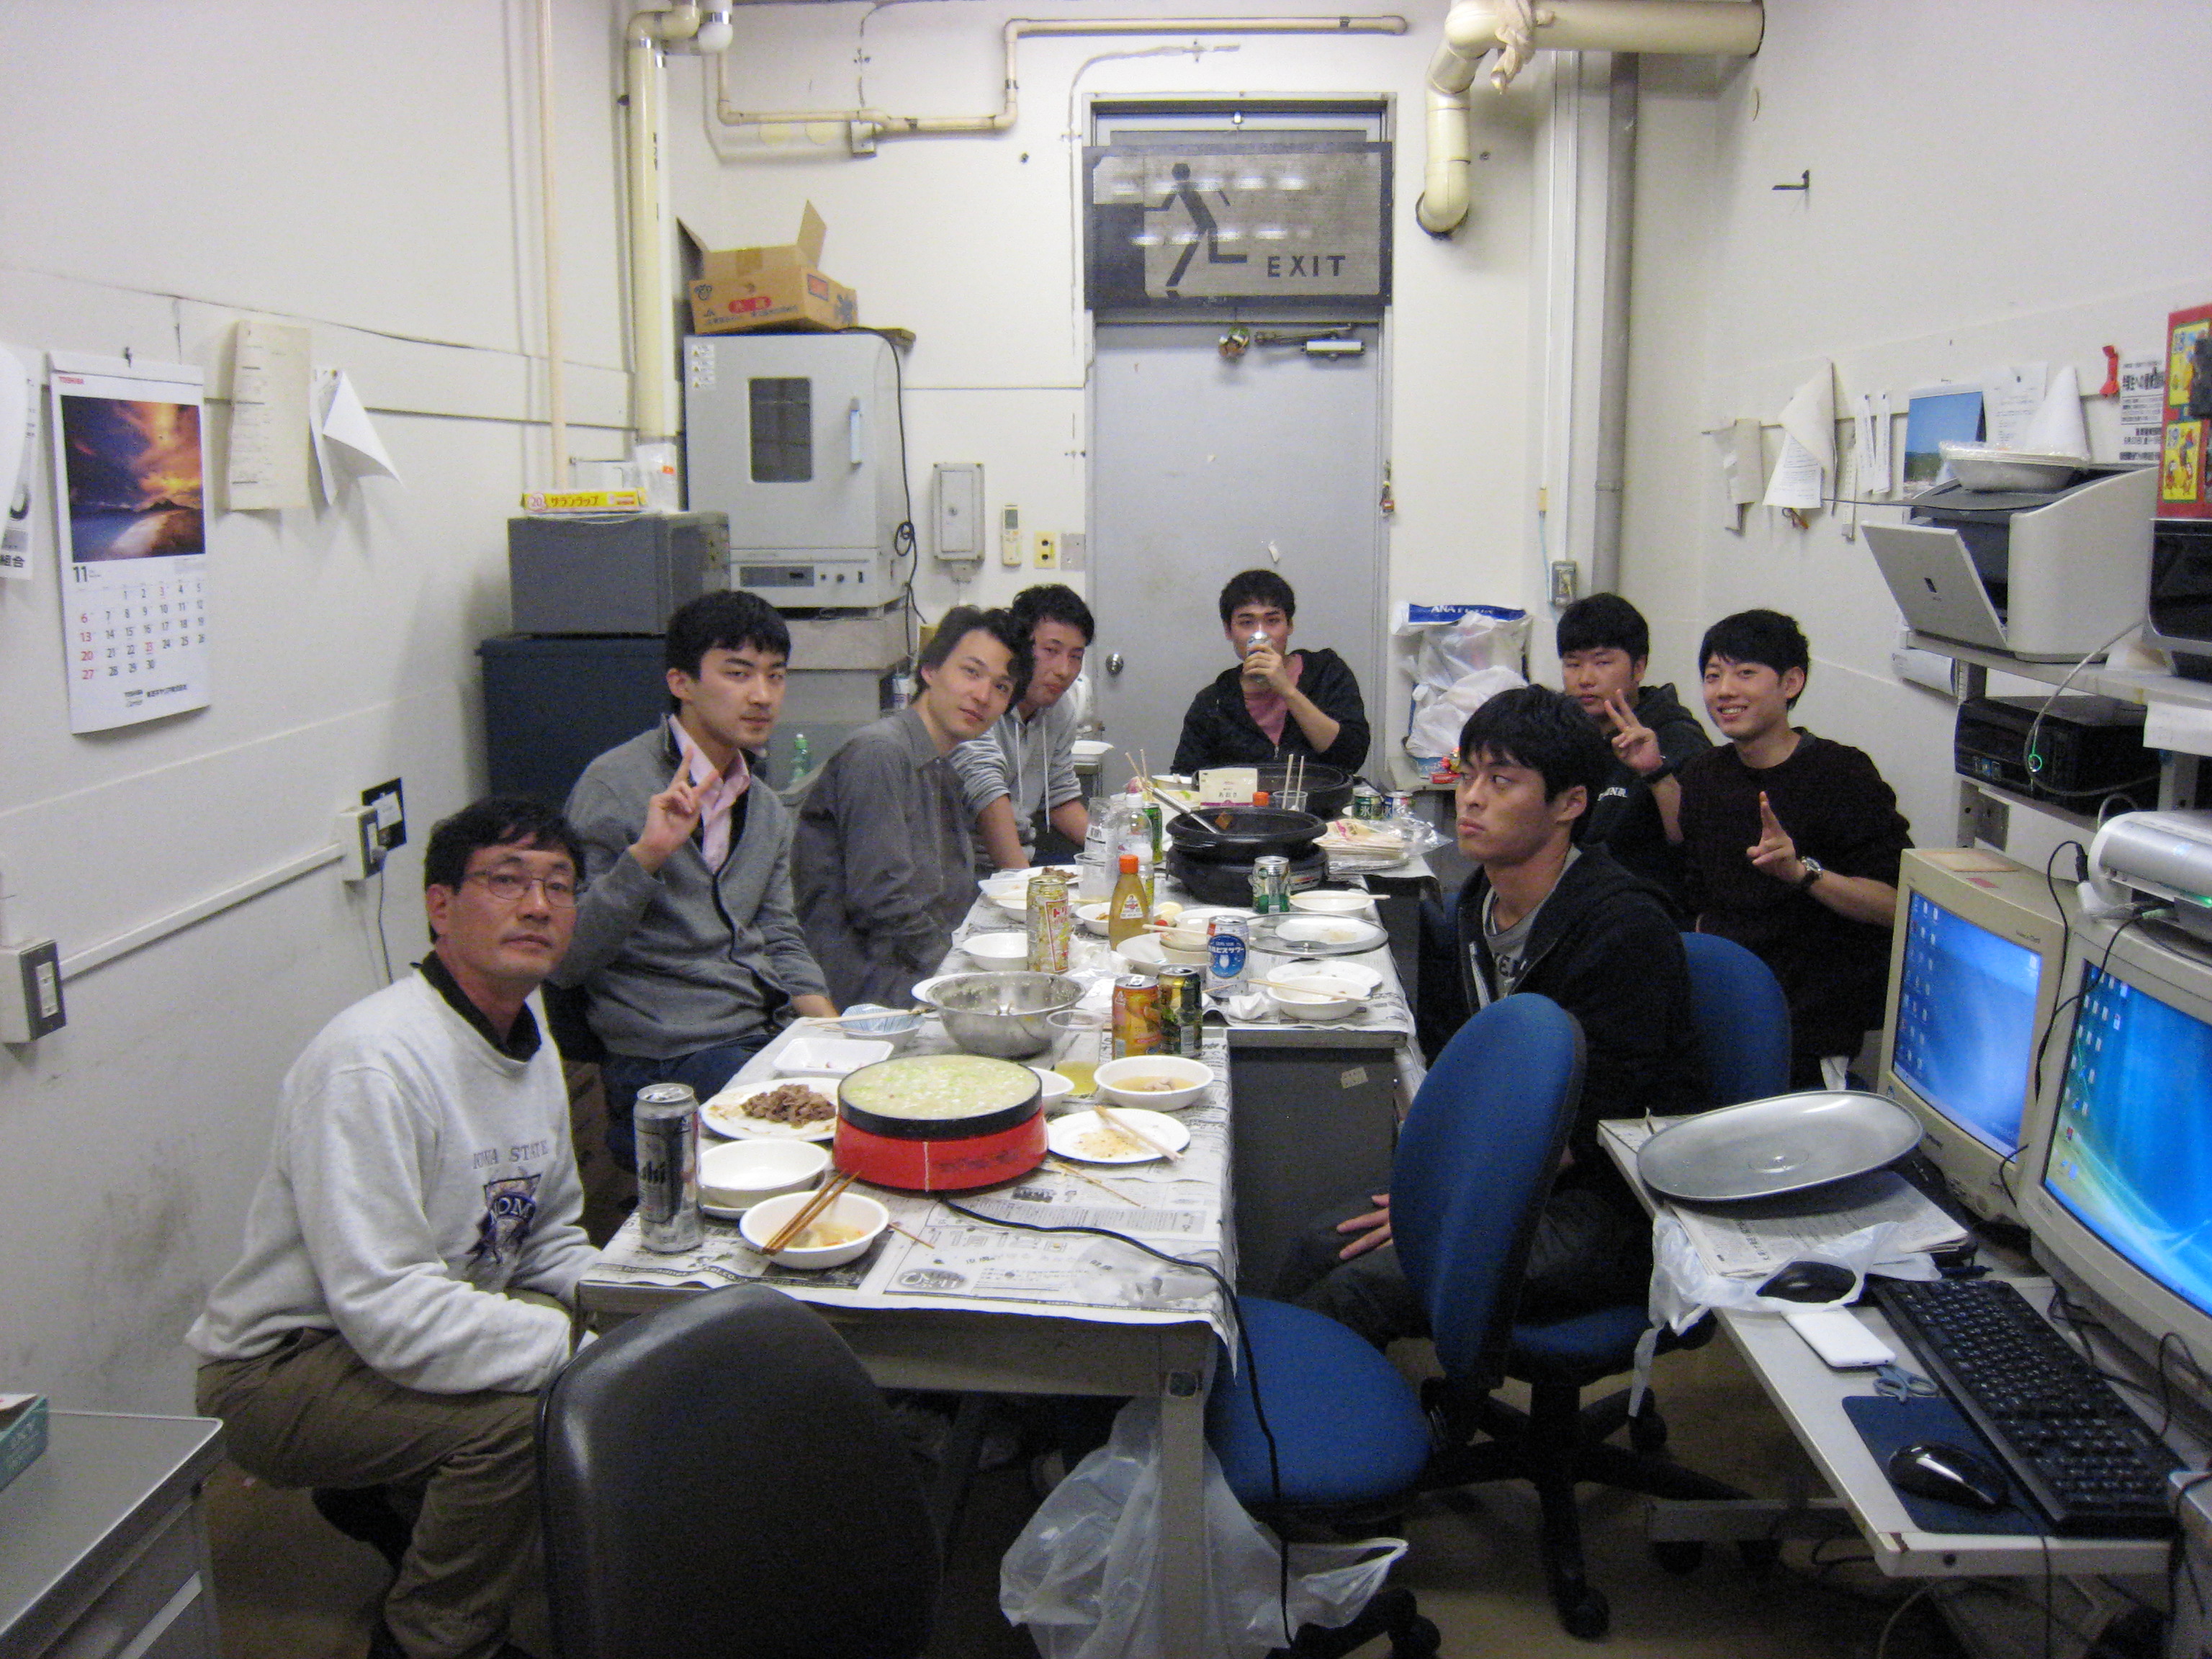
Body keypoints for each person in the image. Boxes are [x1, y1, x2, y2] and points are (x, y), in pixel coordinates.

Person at [188, 797, 601, 1659]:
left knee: (585, 1352)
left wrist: (630, 1304)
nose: (537, 905)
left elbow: (548, 1237)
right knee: (519, 1423)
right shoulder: (372, 1062)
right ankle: (433, 1637)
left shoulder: (526, 1030)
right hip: (286, 1365)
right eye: (507, 881)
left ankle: (386, 1497)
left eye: (559, 886)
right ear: (440, 906)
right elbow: (389, 1309)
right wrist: (579, 1352)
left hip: (401, 1328)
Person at [1273, 686, 1706, 1349]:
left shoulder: (1623, 929)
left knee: (1355, 1288)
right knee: (1314, 1244)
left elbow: (1598, 1126)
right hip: (1510, 1168)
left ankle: (1331, 1416)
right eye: (1468, 774)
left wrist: (1451, 1201)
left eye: (1501, 781)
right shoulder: (1478, 901)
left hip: (1613, 1204)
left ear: (1570, 804)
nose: (1471, 798)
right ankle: (1244, 1409)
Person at [556, 591, 835, 1169]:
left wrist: (835, 1037)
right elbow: (567, 960)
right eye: (738, 673)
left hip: (754, 1033)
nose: (762, 695)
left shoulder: (763, 805)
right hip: (663, 1055)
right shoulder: (615, 785)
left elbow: (780, 936)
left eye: (775, 676)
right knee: (816, 1147)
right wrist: (648, 856)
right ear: (681, 682)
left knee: (869, 1099)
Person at [1618, 608, 1911, 1089]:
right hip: (1710, 1011)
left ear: (1791, 682)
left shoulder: (1841, 774)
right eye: (1713, 676)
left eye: (1746, 673)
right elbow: (1687, 847)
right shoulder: (1707, 772)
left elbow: (1897, 906)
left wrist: (1802, 873)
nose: (1724, 690)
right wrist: (1655, 772)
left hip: (1802, 1031)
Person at [794, 606, 1028, 1006]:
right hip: (870, 984)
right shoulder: (880, 753)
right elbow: (881, 903)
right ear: (931, 670)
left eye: (1001, 687)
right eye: (971, 672)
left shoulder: (940, 764)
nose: (982, 696)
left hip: (914, 966)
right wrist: (959, 975)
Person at [1554, 591, 1710, 907]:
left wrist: (1656, 773)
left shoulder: (1676, 736)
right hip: (1569, 894)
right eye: (1573, 664)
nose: (1585, 678)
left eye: (1602, 662)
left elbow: (1698, 843)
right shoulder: (1561, 731)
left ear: (1639, 668)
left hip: (1640, 906)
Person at [1169, 569, 1370, 775]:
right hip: (1244, 798)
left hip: (1319, 795)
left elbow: (1351, 758)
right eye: (1246, 623)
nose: (1260, 634)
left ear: (1289, 625)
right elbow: (1184, 777)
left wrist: (1288, 691)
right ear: (1229, 631)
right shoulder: (1213, 702)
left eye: (1272, 621)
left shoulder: (1326, 672)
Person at [951, 583, 1093, 870]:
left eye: (1076, 657)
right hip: (965, 866)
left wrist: (1117, 853)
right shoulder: (983, 702)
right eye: (1051, 650)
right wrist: (1024, 884)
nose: (1064, 670)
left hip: (1024, 853)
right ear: (1020, 647)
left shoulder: (1059, 709)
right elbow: (986, 794)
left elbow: (1059, 796)